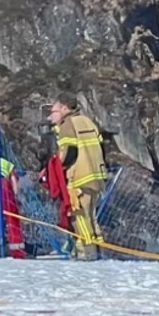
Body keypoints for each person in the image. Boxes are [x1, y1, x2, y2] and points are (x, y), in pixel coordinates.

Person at [47, 96, 107, 260]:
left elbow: (69, 153)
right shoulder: (88, 121)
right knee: (91, 216)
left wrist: (58, 167)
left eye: (53, 111)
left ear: (65, 109)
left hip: (79, 176)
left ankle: (87, 253)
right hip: (96, 175)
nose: (50, 116)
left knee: (78, 215)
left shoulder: (68, 125)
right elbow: (102, 147)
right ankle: (99, 250)